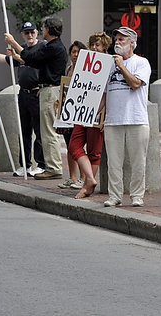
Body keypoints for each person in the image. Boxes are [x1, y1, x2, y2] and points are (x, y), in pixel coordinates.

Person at [0, 21, 46, 177]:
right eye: (27, 33)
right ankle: (25, 165)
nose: (30, 35)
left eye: (32, 32)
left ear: (37, 33)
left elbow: (35, 61)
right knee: (24, 131)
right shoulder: (22, 49)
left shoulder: (42, 48)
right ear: (23, 34)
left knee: (40, 132)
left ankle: (41, 165)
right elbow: (5, 59)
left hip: (38, 93)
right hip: (24, 94)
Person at [9, 16, 68, 180]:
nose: (42, 31)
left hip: (50, 91)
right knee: (45, 130)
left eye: (43, 28)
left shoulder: (53, 47)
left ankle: (53, 167)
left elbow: (31, 57)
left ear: (49, 29)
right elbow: (33, 61)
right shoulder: (53, 47)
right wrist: (17, 56)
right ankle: (49, 165)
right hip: (46, 91)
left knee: (48, 131)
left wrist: (14, 43)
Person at [102, 27, 152, 207]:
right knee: (114, 163)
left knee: (138, 161)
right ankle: (115, 196)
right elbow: (104, 93)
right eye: (116, 39)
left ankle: (137, 195)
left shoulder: (141, 63)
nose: (117, 42)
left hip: (136, 119)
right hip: (113, 120)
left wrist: (121, 66)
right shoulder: (108, 64)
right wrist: (96, 115)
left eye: (122, 39)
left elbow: (136, 84)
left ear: (132, 43)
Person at [69, 32, 112, 199]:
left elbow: (109, 92)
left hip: (98, 113)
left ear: (105, 47)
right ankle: (91, 179)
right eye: (93, 45)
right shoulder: (85, 62)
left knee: (94, 151)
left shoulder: (109, 63)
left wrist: (103, 114)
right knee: (74, 145)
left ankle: (88, 187)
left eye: (98, 45)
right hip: (83, 111)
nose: (94, 48)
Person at [57, 39, 88, 189]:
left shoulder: (86, 70)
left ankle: (83, 177)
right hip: (67, 112)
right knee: (69, 145)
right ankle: (72, 177)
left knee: (78, 146)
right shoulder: (69, 69)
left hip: (80, 112)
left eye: (78, 51)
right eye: (73, 52)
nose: (75, 54)